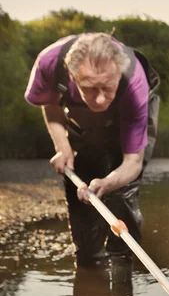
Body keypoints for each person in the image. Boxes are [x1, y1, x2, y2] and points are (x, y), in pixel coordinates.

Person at [24, 32, 160, 266]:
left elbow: (132, 161)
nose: (98, 100)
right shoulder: (49, 63)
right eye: (89, 87)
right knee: (82, 184)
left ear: (117, 75)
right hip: (79, 119)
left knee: (121, 193)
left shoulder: (134, 82)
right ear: (72, 76)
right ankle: (89, 261)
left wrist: (108, 183)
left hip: (127, 114)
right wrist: (62, 146)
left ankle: (121, 265)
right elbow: (50, 102)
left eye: (106, 87)